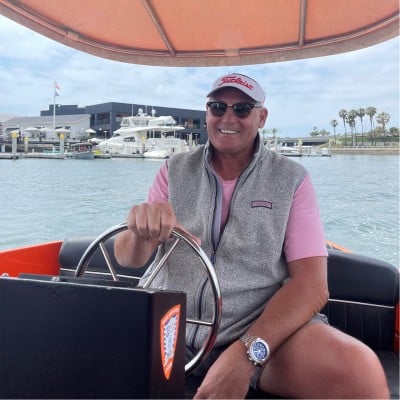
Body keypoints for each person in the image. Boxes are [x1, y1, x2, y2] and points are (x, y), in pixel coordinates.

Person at [114, 73, 389, 399]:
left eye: (242, 109)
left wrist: (246, 354)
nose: (228, 118)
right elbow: (128, 258)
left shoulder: (291, 179)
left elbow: (312, 285)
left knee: (359, 372)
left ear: (262, 117)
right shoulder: (173, 169)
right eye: (218, 107)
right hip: (169, 327)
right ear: (207, 113)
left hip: (256, 329)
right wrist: (141, 232)